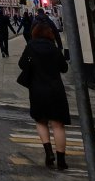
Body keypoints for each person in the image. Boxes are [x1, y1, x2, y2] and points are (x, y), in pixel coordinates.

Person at [18, 20, 71, 170]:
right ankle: (61, 160)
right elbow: (64, 68)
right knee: (58, 125)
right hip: (55, 90)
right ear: (50, 34)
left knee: (41, 122)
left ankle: (49, 153)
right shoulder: (53, 48)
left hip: (37, 90)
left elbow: (22, 64)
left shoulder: (30, 47)